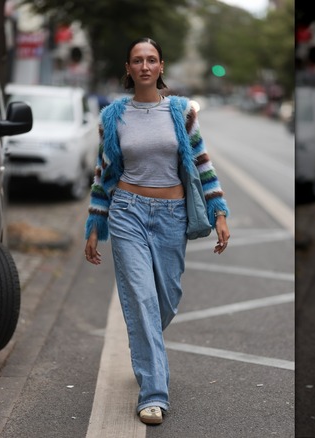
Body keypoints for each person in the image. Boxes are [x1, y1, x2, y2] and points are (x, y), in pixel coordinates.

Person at [83, 37, 231, 425]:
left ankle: (146, 351)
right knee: (142, 300)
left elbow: (201, 162)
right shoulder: (114, 116)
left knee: (165, 300)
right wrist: (95, 224)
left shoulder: (182, 112)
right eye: (137, 60)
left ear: (161, 66)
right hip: (127, 211)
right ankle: (153, 392)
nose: (145, 66)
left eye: (151, 59)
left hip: (172, 215)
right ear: (128, 69)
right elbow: (104, 173)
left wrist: (219, 211)